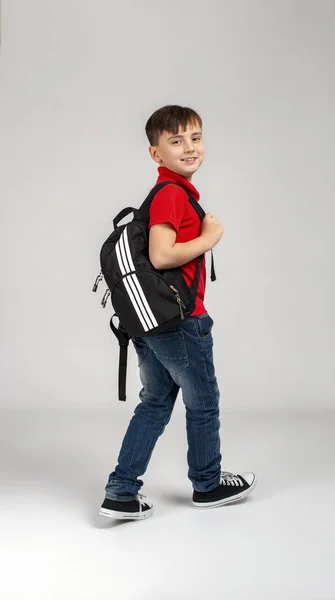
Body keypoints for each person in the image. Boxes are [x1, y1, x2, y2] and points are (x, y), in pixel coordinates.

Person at [100, 105, 256, 520]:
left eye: (195, 138)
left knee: (154, 403)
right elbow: (162, 254)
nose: (189, 148)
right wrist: (211, 237)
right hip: (182, 321)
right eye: (176, 141)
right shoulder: (171, 194)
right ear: (156, 153)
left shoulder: (168, 193)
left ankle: (120, 492)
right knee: (203, 403)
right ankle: (207, 485)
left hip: (151, 324)